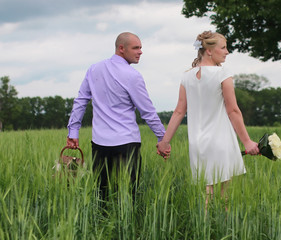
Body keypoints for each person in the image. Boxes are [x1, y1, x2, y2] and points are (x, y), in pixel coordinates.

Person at [157, 30, 259, 209]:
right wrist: (247, 142)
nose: (227, 52)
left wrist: (165, 142)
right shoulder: (222, 74)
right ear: (209, 51)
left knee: (206, 195)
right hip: (221, 140)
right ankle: (222, 230)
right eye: (223, 47)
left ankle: (202, 229)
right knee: (224, 198)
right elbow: (233, 110)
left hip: (197, 143)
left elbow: (179, 112)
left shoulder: (186, 76)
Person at [67, 32, 166, 202]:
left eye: (141, 47)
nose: (140, 51)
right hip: (127, 142)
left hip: (100, 143)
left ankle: (101, 227)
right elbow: (147, 111)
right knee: (129, 195)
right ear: (121, 48)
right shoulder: (132, 76)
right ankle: (127, 227)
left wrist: (73, 132)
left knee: (101, 194)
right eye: (136, 48)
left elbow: (81, 101)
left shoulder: (94, 69)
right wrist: (163, 138)